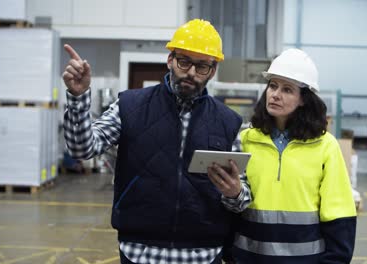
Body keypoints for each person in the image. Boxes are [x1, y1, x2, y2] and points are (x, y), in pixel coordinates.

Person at [62, 18, 251, 264]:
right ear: (170, 59)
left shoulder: (228, 122)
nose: (191, 72)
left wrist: (235, 192)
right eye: (184, 61)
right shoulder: (130, 106)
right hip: (140, 251)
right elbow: (81, 148)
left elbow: (242, 197)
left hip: (202, 254)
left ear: (213, 71)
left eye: (202, 66)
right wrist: (78, 98)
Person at [229, 49, 357, 263]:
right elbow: (231, 205)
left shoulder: (326, 147)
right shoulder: (245, 140)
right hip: (248, 258)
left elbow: (339, 213)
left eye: (287, 89)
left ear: (303, 100)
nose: (276, 94)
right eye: (272, 86)